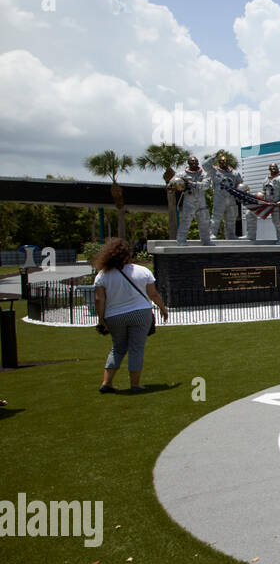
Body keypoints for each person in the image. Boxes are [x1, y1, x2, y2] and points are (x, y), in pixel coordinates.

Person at [92, 237, 168, 393]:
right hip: (141, 314)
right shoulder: (142, 271)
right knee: (136, 348)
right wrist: (162, 308)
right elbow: (153, 294)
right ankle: (135, 384)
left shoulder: (103, 275)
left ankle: (107, 382)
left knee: (118, 348)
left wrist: (101, 319)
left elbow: (99, 299)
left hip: (114, 316)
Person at [202, 153, 244, 240]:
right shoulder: (214, 171)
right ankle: (212, 234)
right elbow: (205, 165)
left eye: (224, 161)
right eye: (221, 161)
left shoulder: (235, 173)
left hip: (231, 198)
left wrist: (242, 190)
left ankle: (231, 235)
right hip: (219, 198)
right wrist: (213, 156)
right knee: (216, 217)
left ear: (227, 162)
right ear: (219, 162)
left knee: (231, 218)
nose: (223, 163)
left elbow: (240, 184)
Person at [171, 155, 211, 246]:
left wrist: (192, 183)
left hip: (201, 202)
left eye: (196, 161)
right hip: (189, 202)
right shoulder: (182, 174)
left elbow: (206, 186)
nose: (194, 163)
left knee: (204, 223)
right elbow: (172, 183)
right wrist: (177, 185)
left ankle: (206, 241)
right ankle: (181, 241)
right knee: (185, 222)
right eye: (192, 162)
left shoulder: (204, 174)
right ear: (188, 163)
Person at [248, 163, 280, 243]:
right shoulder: (266, 179)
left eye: (275, 167)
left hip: (276, 204)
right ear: (269, 168)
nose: (273, 168)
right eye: (272, 167)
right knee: (250, 213)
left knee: (278, 222)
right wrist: (260, 195)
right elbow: (264, 191)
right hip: (266, 204)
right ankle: (251, 236)